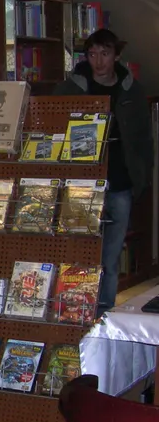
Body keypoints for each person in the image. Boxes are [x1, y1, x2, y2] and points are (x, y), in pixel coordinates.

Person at [54, 28, 153, 312]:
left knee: (110, 255)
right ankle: (76, 311)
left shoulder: (132, 90)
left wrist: (142, 177)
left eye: (105, 54)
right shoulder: (71, 88)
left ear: (117, 56)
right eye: (92, 54)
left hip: (120, 181)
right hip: (80, 182)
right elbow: (52, 128)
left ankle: (104, 312)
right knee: (79, 251)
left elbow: (144, 140)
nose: (98, 61)